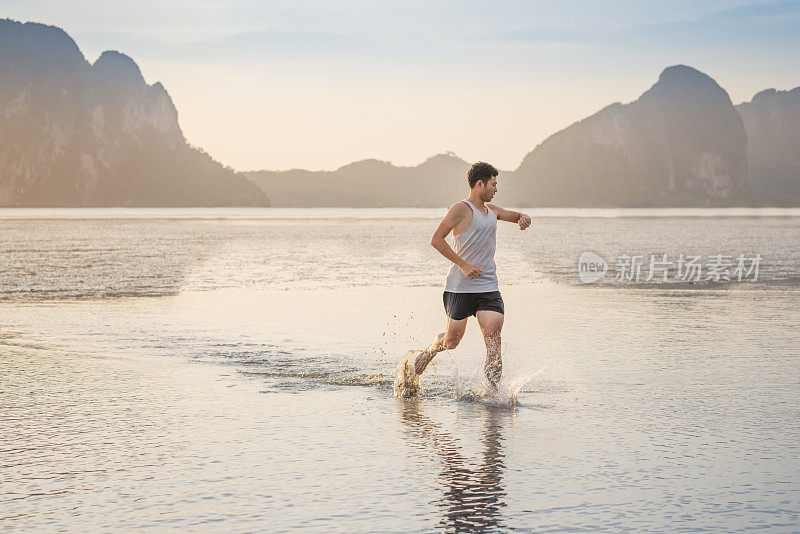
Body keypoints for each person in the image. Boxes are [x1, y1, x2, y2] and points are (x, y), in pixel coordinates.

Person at [394, 162, 532, 396]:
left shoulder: (494, 211)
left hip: (488, 288)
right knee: (451, 342)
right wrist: (463, 264)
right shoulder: (460, 209)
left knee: (494, 340)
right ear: (480, 184)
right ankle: (429, 352)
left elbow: (516, 215)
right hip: (459, 289)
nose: (496, 189)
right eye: (493, 184)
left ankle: (493, 394)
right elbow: (436, 239)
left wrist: (523, 218)